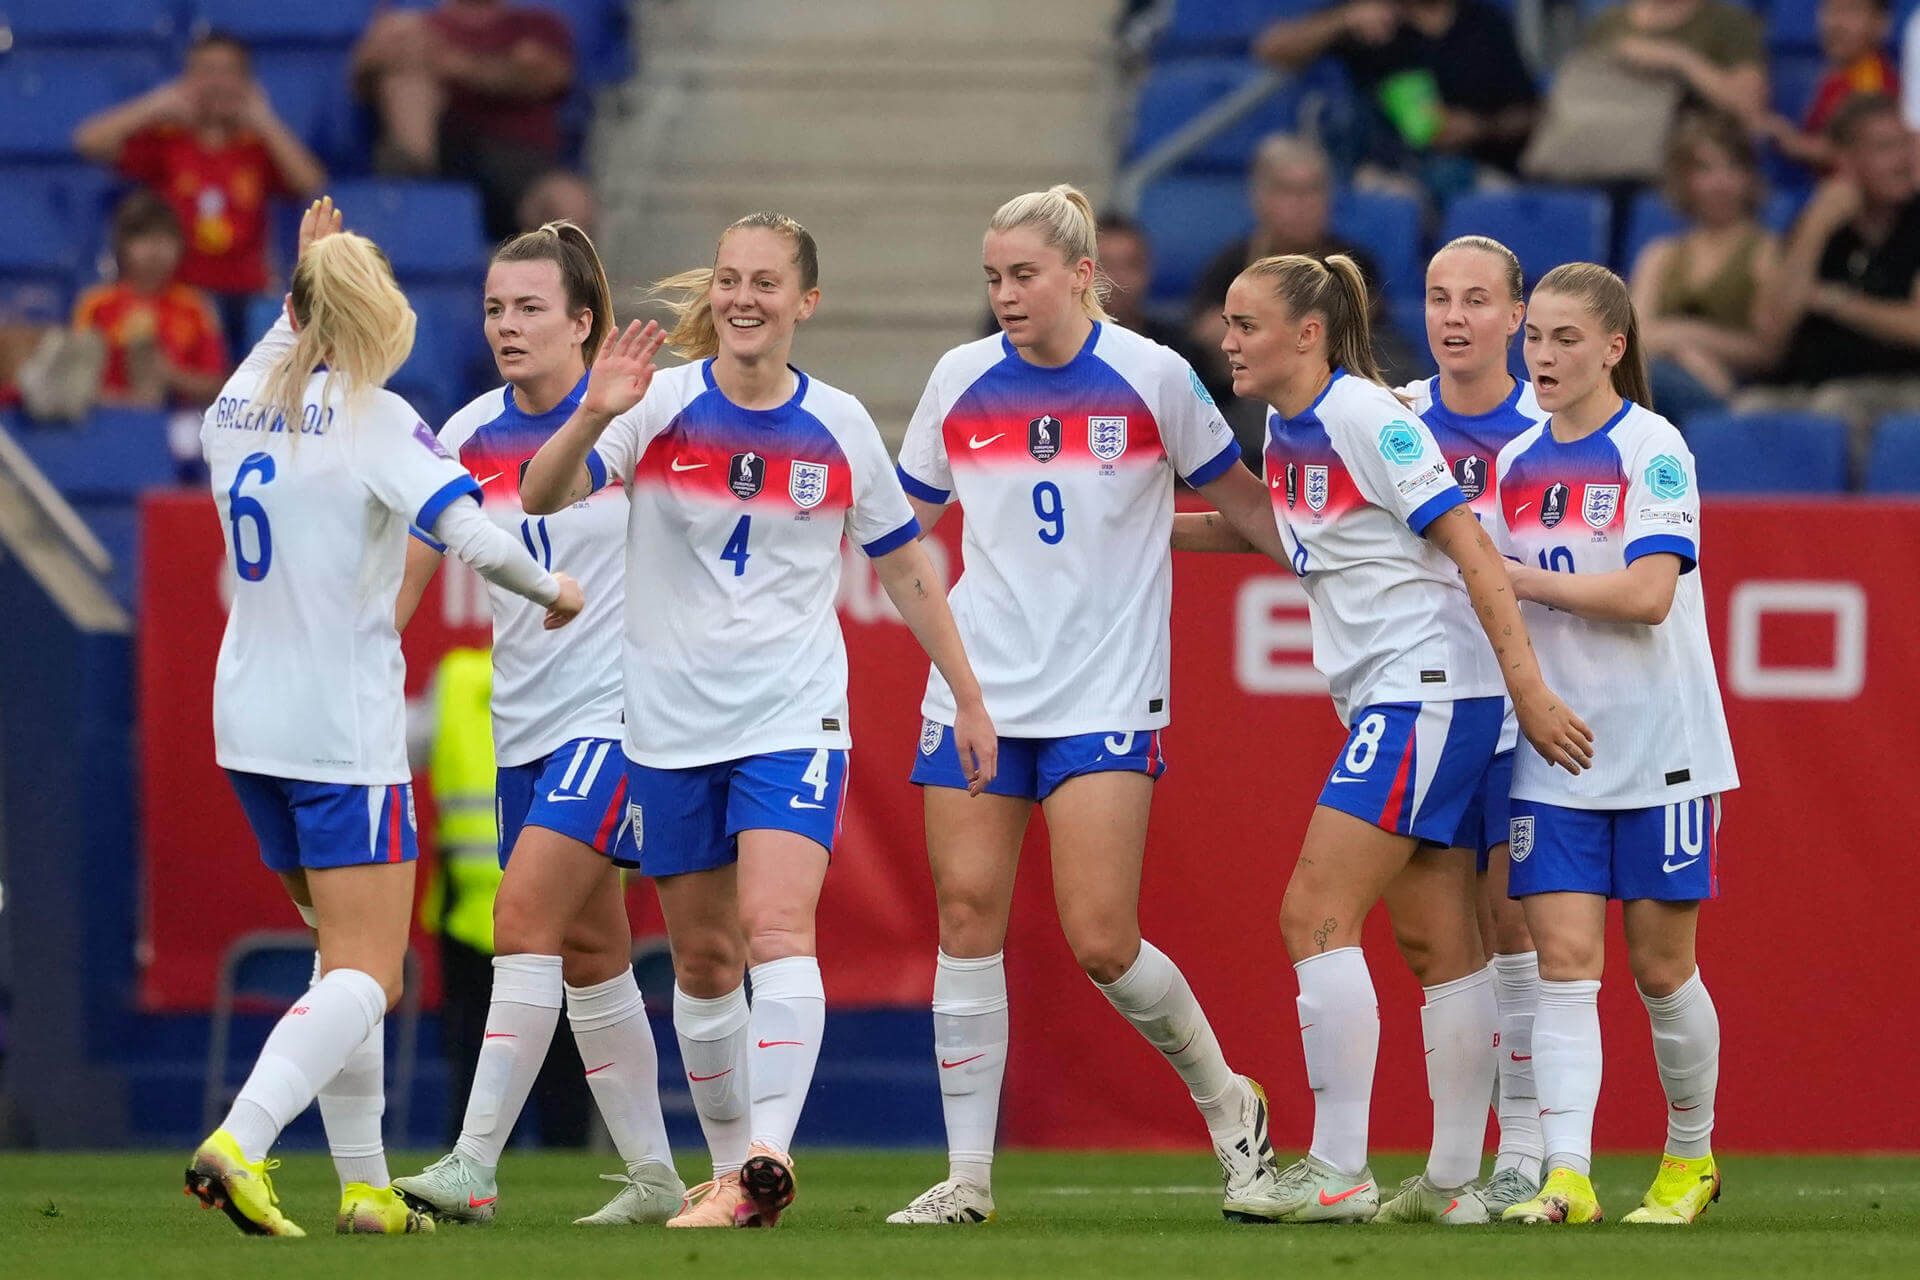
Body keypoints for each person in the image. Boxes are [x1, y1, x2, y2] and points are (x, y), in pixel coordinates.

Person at [519, 211, 998, 1229]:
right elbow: (539, 493)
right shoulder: (655, 404)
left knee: (779, 926)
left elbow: (908, 566)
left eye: (767, 282)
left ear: (804, 303)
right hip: (667, 722)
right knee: (701, 959)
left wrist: (966, 690)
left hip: (791, 712)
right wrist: (592, 413)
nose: (744, 297)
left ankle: (768, 1149)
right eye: (731, 278)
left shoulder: (840, 424)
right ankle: (736, 1171)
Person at [886, 184, 1298, 1228]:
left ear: (1080, 274)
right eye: (993, 278)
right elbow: (903, 527)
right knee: (968, 915)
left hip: (1106, 690)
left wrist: (1337, 549)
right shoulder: (960, 377)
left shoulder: (1153, 375)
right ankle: (968, 1176)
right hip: (977, 689)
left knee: (1103, 937)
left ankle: (1229, 1104)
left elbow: (1240, 499)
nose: (1006, 295)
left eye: (1024, 274)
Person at [185, 197, 584, 1238]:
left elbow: (288, 328)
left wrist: (311, 265)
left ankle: (366, 1188)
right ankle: (241, 1138)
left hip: (246, 724)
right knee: (372, 969)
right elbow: (472, 530)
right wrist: (553, 590)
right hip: (338, 729)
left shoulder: (236, 403)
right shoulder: (375, 415)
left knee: (340, 961)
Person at [1172, 253, 1591, 1224]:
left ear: (1307, 334)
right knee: (1436, 938)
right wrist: (1136, 524)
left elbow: (1471, 546)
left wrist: (1525, 688)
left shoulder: (1366, 417)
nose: (1224, 339)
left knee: (1312, 911)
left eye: (1244, 324)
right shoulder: (1288, 423)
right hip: (1394, 697)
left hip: (1428, 692)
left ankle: (1340, 1163)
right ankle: (1450, 1179)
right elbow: (1290, 534)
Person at [390, 221, 681, 1227]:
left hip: (618, 714)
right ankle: (655, 1175)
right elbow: (412, 573)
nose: (506, 326)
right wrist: (367, 660)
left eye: (529, 308)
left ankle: (473, 1162)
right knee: (593, 952)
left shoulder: (635, 422)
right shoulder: (466, 433)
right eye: (493, 308)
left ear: (584, 323)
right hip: (525, 725)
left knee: (520, 920)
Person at [1492, 262, 1738, 1226]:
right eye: (1536, 339)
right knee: (1562, 961)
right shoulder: (1515, 464)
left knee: (1661, 968)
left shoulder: (1654, 446)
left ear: (1613, 348)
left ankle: (1689, 1158)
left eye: (1563, 339)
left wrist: (1524, 579)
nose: (1543, 357)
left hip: (1661, 745)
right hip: (1553, 750)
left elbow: (1647, 595)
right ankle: (1568, 1174)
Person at [1384, 235, 1547, 1219]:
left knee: (1517, 922)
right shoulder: (1397, 418)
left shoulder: (1550, 425)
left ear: (1516, 315)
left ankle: (1523, 1150)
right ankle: (1451, 1167)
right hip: (1421, 696)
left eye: (1477, 299)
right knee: (1432, 938)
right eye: (1441, 297)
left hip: (1521, 700)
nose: (1455, 316)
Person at [73, 32, 326, 353]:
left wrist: (265, 121)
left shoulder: (258, 147)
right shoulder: (168, 143)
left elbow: (311, 183)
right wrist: (154, 106)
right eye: (206, 72)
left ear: (248, 83)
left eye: (229, 72)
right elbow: (87, 142)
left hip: (248, 296)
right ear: (186, 80)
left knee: (280, 327)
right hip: (181, 293)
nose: (218, 83)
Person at [1186, 134, 1413, 455]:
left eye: (1312, 190)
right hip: (1251, 417)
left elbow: (1367, 345)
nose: (1302, 204)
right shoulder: (1230, 267)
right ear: (1258, 197)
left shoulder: (1352, 263)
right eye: (1287, 191)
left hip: (1345, 415)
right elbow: (1209, 340)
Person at [1746, 93, 1920, 450]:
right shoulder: (1814, 222)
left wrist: (1834, 302)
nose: (1904, 160)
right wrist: (1816, 228)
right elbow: (1771, 332)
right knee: (1746, 411)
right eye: (1886, 148)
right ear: (1846, 161)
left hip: (1897, 385)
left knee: (1834, 407)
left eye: (1908, 145)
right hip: (1807, 384)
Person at [1253, 1, 1538, 196]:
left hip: (1478, 170)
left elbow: (1530, 114)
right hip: (1391, 171)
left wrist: (1477, 126)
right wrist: (1344, 19)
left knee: (1476, 193)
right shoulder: (1371, 19)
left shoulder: (1487, 24)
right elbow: (1273, 48)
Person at [352, 0, 575, 240]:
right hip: (441, 156)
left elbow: (546, 77)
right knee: (405, 77)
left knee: (570, 202)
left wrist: (452, 63)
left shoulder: (535, 25)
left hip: (521, 166)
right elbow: (361, 80)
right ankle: (415, 180)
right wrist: (379, 51)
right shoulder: (415, 27)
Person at [1628, 114, 1780, 425]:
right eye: (1705, 170)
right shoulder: (1661, 254)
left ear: (1749, 177)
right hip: (1667, 382)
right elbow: (1633, 340)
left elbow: (1765, 349)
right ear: (1686, 180)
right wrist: (1687, 355)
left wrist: (1681, 335)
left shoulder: (1766, 251)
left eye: (1732, 168)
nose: (1720, 183)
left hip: (1731, 391)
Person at [74, 192, 229, 410]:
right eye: (144, 238)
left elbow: (218, 386)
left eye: (166, 239)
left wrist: (170, 375)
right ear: (122, 246)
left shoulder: (195, 307)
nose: (156, 250)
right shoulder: (95, 305)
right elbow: (77, 379)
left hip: (178, 424)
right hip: (108, 420)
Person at [1760, 0, 1899, 175]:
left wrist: (1793, 142)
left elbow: (1859, 158)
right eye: (1830, 11)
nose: (1836, 24)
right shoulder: (1834, 73)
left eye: (1851, 11)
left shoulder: (1873, 82)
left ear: (1881, 23)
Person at [1577, 0, 1766, 126]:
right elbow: (1577, 97)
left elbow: (1747, 107)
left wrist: (1679, 59)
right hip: (1608, 142)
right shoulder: (1608, 23)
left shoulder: (1729, 22)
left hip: (1690, 156)